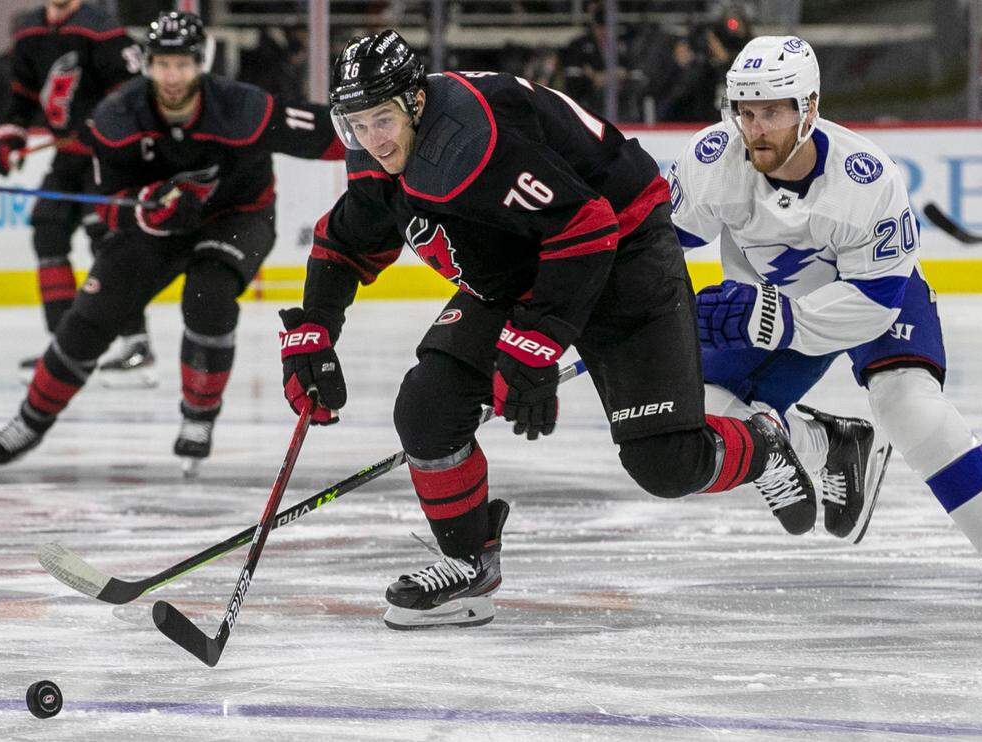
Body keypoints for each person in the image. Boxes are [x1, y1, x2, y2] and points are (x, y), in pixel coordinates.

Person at [276, 30, 875, 632]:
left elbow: (586, 226)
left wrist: (536, 343)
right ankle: (468, 567)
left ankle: (769, 442)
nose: (372, 139)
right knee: (428, 408)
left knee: (666, 463)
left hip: (623, 253)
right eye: (356, 123)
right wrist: (313, 332)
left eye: (382, 118)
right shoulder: (382, 145)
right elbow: (352, 233)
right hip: (525, 265)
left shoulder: (467, 142)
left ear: (415, 103)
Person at [668, 35, 982, 619]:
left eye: (772, 111)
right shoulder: (713, 160)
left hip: (874, 300)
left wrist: (773, 318)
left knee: (908, 406)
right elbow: (655, 251)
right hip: (775, 307)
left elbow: (873, 304)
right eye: (744, 112)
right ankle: (826, 443)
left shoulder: (865, 179)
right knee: (698, 412)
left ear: (810, 109)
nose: (755, 128)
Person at [0, 11, 344, 476]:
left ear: (200, 63)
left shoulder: (243, 107)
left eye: (183, 64)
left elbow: (332, 134)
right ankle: (30, 421)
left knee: (208, 296)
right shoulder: (116, 117)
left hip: (237, 217)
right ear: (147, 64)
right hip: (157, 228)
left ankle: (199, 416)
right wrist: (145, 204)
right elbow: (105, 204)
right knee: (91, 316)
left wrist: (389, 138)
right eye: (163, 64)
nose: (173, 76)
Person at [0, 0, 155, 386]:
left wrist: (107, 127)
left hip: (104, 158)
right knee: (48, 228)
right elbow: (23, 96)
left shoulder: (101, 28)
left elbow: (135, 90)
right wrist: (9, 137)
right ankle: (65, 345)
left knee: (109, 240)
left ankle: (136, 342)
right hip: (66, 157)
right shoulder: (29, 30)